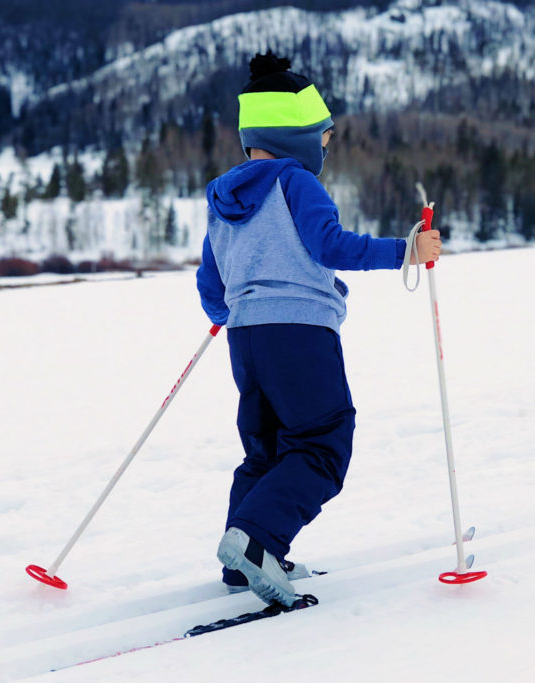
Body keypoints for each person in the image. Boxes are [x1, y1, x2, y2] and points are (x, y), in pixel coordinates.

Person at [196, 50, 441, 607]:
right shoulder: (295, 181)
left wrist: (223, 313)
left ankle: (245, 558)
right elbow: (331, 246)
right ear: (297, 135)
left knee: (266, 450)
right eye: (324, 139)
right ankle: (256, 541)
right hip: (300, 333)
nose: (325, 150)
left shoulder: (222, 197)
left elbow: (211, 280)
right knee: (322, 442)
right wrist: (406, 250)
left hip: (245, 339)